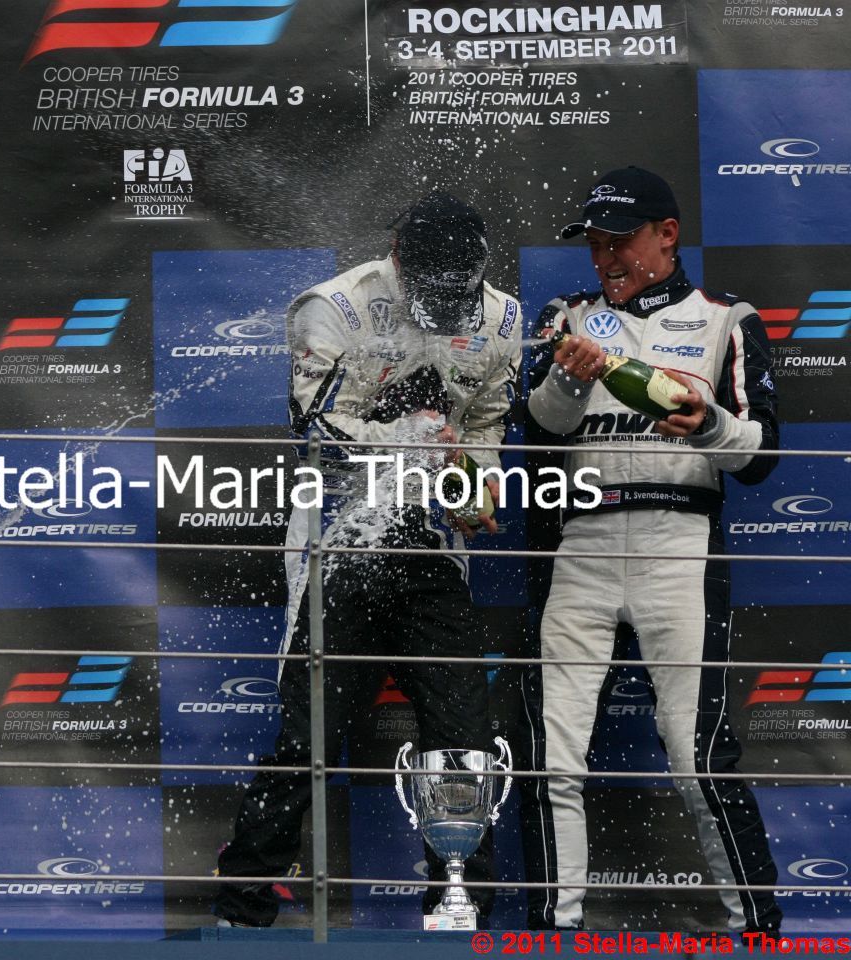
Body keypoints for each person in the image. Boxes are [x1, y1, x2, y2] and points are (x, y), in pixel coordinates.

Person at [213, 191, 522, 927]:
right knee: (309, 736)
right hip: (340, 538)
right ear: (398, 257)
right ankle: (241, 906)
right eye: (432, 294)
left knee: (463, 738)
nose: (447, 309)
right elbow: (316, 429)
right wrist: (414, 442)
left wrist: (476, 483)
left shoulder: (503, 318)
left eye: (458, 296)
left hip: (431, 548)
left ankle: (460, 909)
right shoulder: (335, 308)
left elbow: (485, 421)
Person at [518, 166, 781, 934]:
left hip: (680, 543)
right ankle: (551, 934)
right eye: (595, 245)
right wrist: (569, 383)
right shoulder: (567, 317)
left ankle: (758, 933)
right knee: (550, 757)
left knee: (696, 756)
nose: (605, 259)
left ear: (667, 235)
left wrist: (708, 425)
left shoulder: (727, 319)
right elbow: (538, 431)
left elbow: (762, 456)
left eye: (620, 241)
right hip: (583, 543)